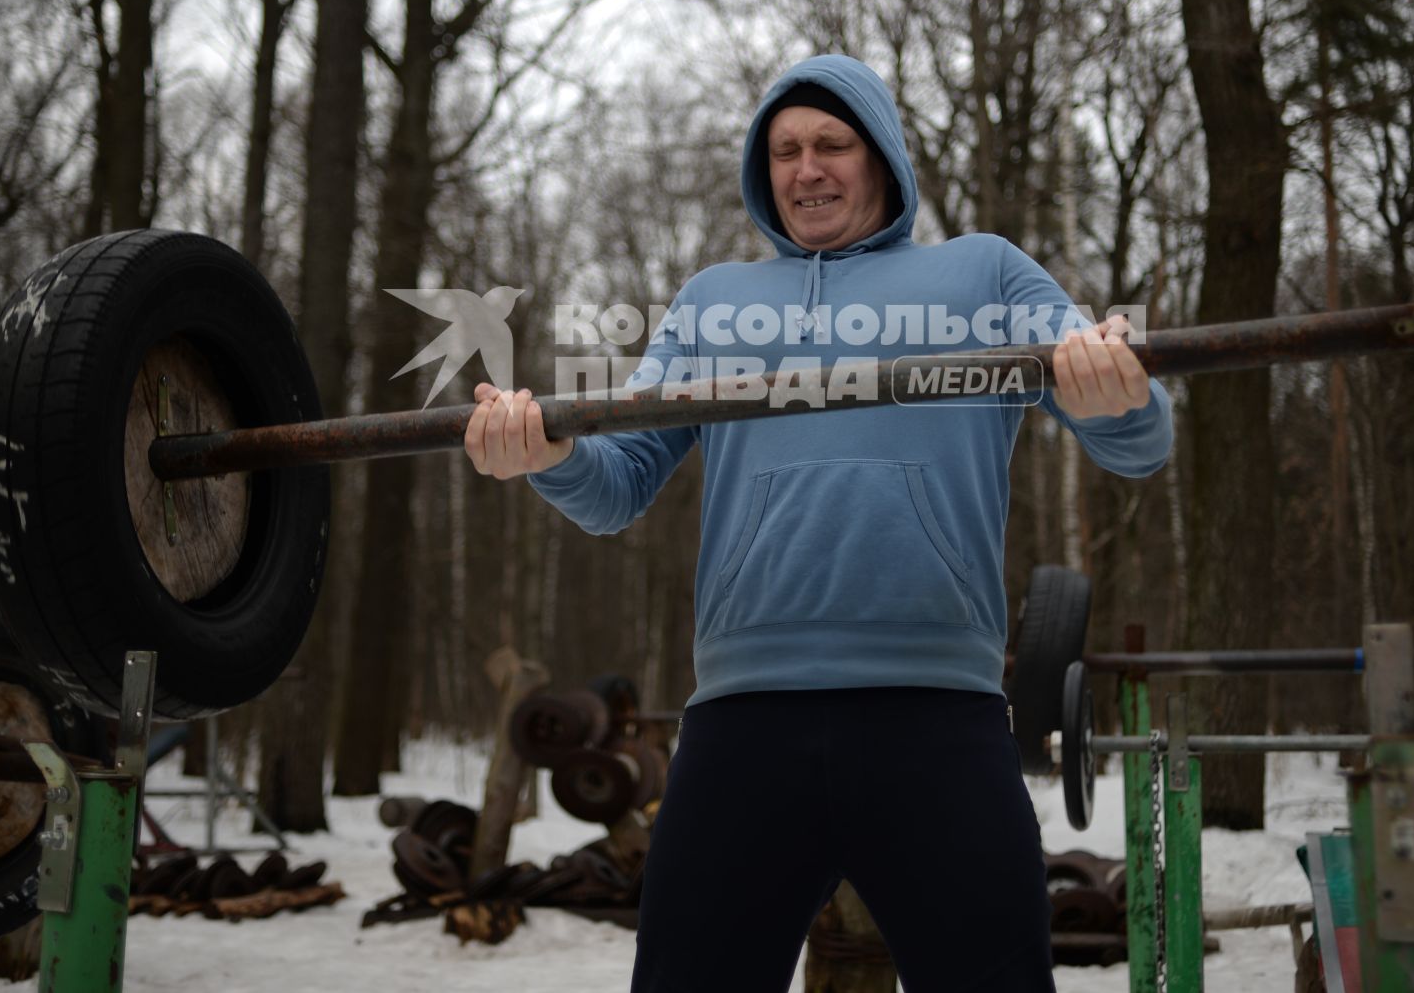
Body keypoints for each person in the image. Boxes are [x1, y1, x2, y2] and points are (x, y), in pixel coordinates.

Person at [465, 55, 1172, 992]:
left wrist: (1113, 387)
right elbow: (618, 482)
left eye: (832, 144)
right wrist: (546, 453)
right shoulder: (715, 303)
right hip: (743, 726)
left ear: (880, 158)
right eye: (785, 150)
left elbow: (1137, 442)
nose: (807, 169)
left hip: (937, 720)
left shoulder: (983, 274)